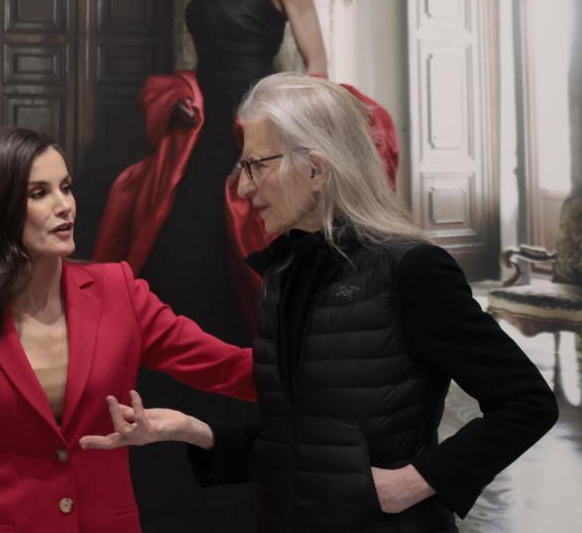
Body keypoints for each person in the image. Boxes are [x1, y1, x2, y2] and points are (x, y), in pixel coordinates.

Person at [82, 74, 559, 532]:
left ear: (314, 168)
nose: (243, 189)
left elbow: (528, 404)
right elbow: (296, 444)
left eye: (255, 166)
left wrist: (412, 484)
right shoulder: (282, 275)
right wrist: (191, 429)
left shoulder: (412, 270)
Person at [0, 127, 257, 533]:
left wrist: (325, 366)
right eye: (39, 193)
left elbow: (230, 369)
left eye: (66, 188)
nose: (65, 207)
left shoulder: (119, 291)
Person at [92, 0, 330, 530]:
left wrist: (279, 135)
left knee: (244, 283)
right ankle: (161, 450)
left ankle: (244, 449)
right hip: (198, 136)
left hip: (254, 129)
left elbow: (316, 64)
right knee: (175, 271)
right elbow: (206, 59)